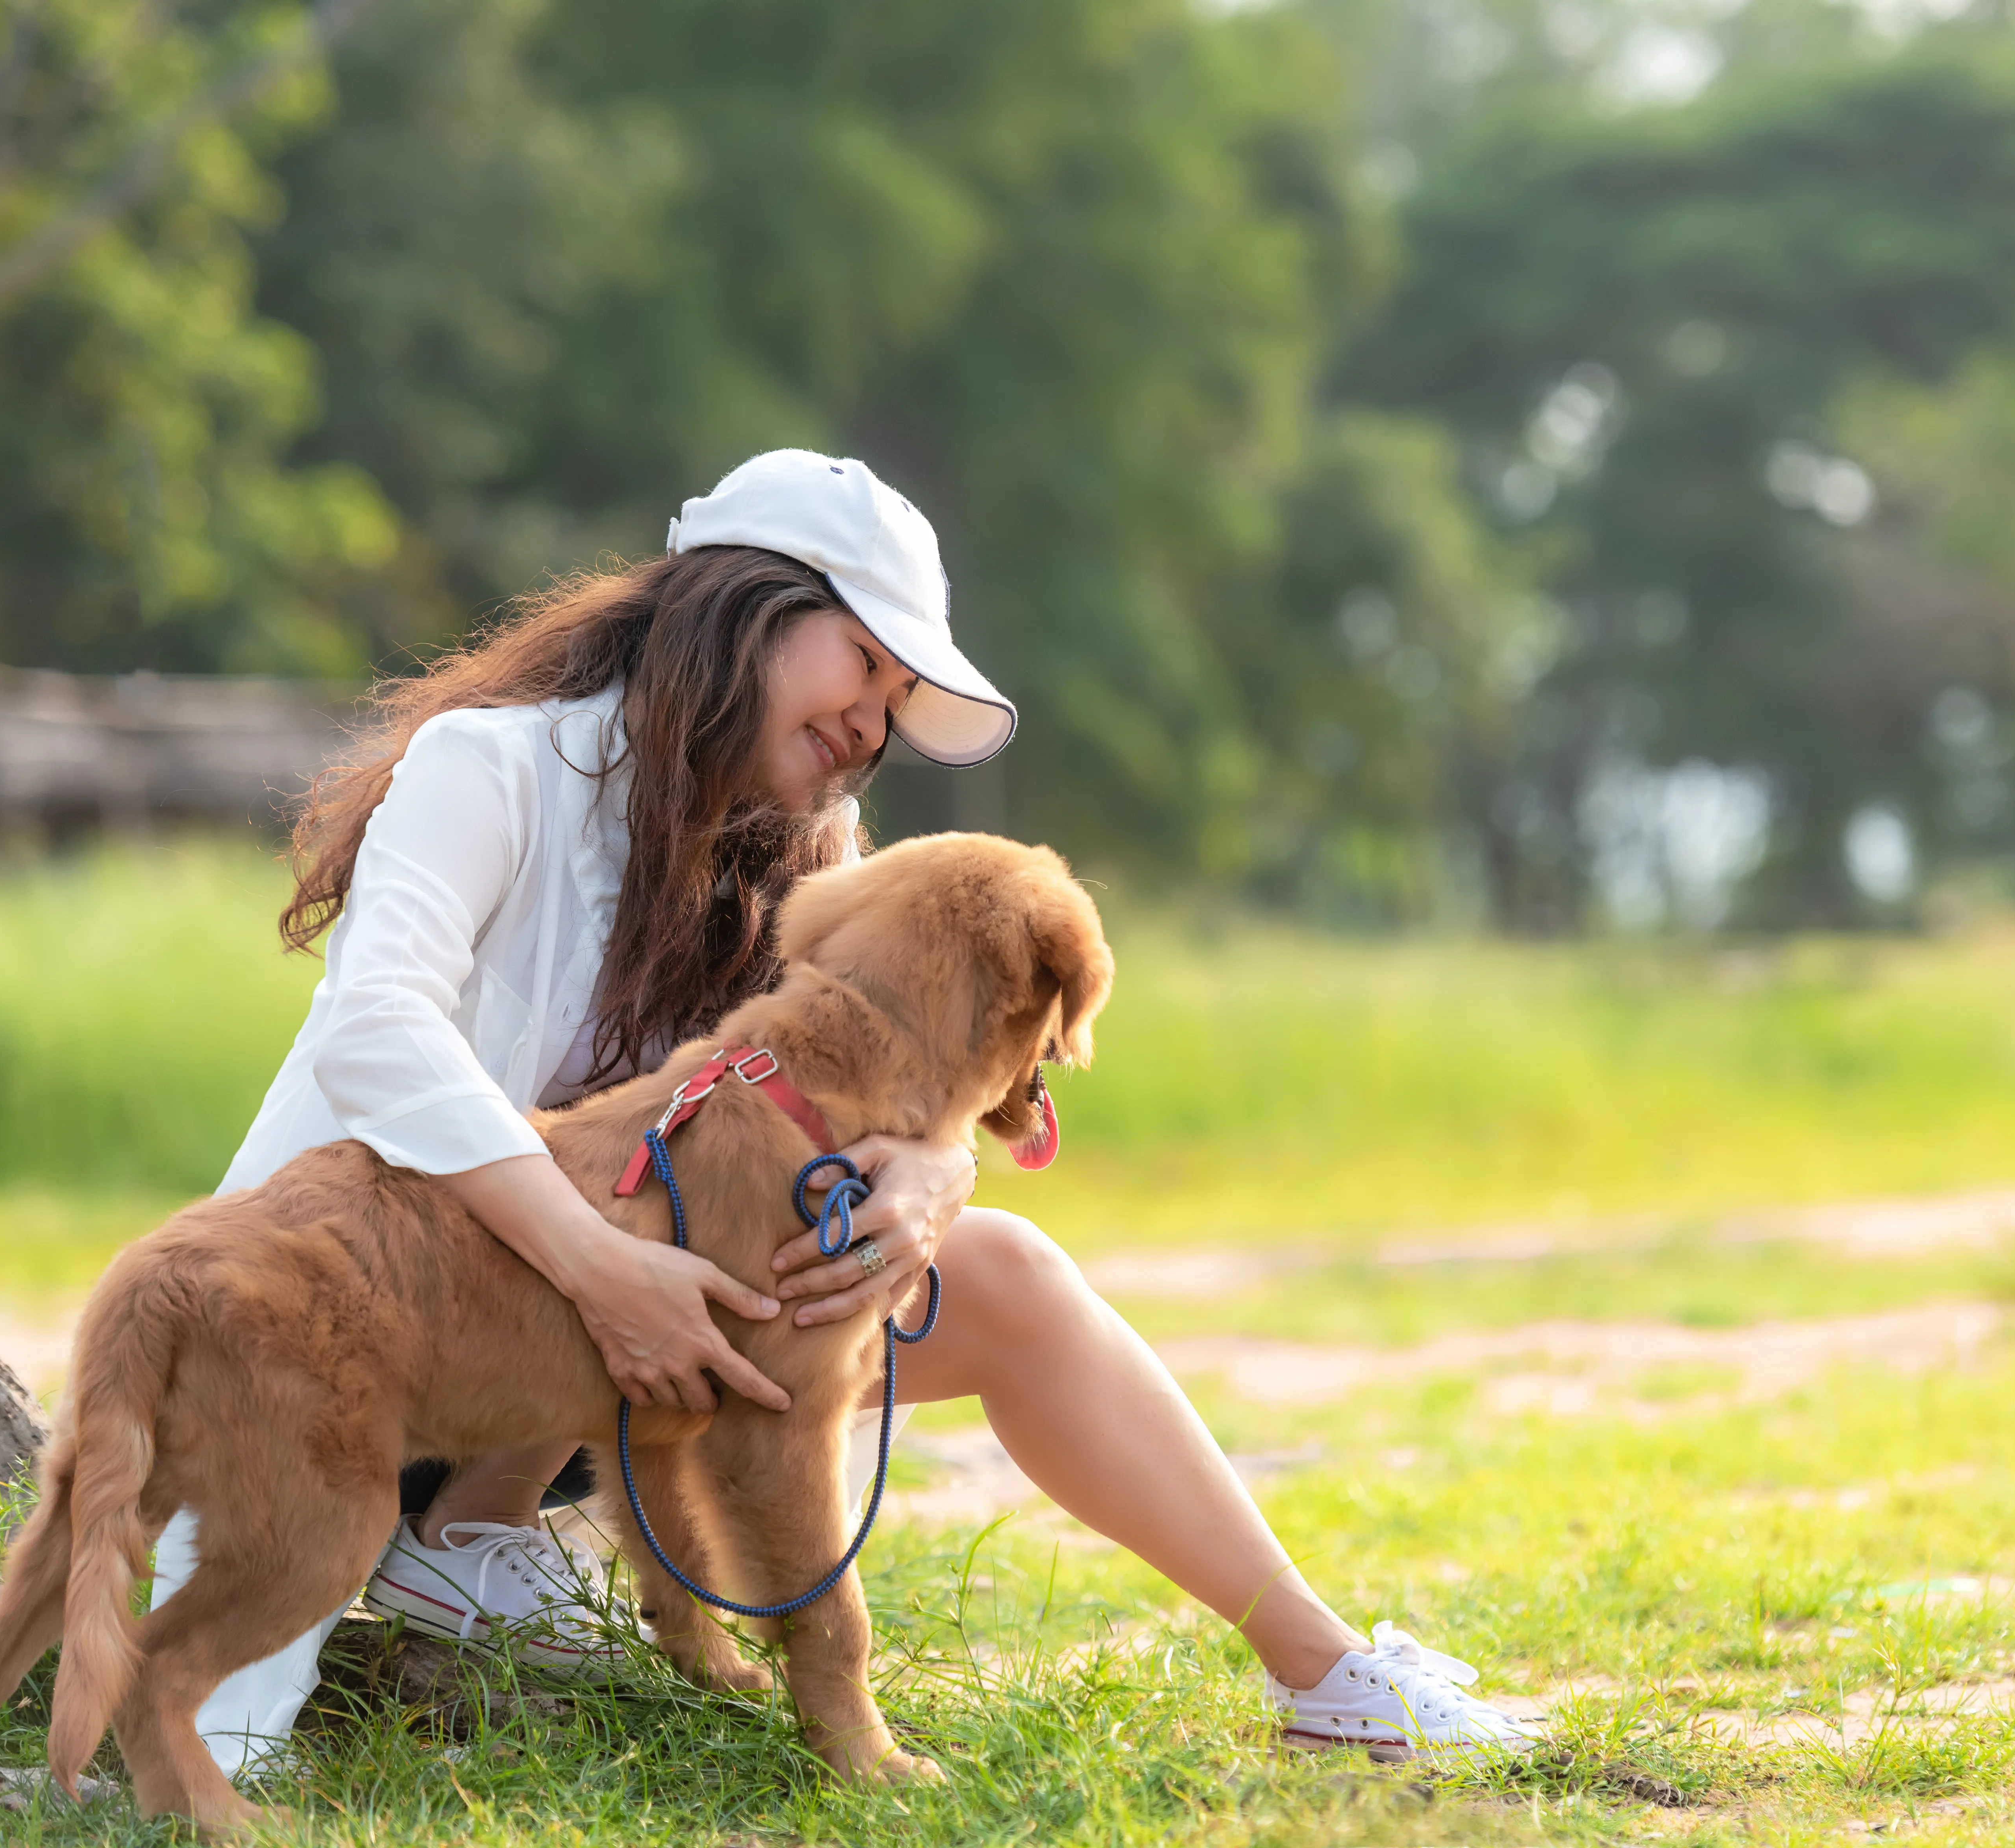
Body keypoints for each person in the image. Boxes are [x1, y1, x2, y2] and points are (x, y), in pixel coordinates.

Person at [147, 449, 1536, 1774]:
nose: (873, 725)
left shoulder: (809, 854)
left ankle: (1336, 1680)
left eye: (895, 702)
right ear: (738, 610)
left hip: (622, 1386)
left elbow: (894, 1090)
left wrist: (933, 1179)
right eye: (865, 663)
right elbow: (376, 1038)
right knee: (614, 1188)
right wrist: (608, 1271)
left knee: (1011, 1277)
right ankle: (458, 1542)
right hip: (366, 1365)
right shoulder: (491, 769)